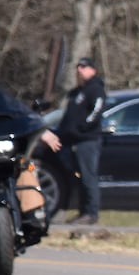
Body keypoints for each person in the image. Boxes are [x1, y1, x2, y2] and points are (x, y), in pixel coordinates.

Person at [39, 56, 107, 225]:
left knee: (88, 177)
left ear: (92, 69)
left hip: (87, 140)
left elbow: (96, 112)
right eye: (78, 67)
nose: (80, 70)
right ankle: (82, 212)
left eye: (84, 67)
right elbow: (67, 117)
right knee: (78, 178)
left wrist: (81, 128)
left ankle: (91, 213)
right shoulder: (77, 92)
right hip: (71, 141)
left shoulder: (95, 89)